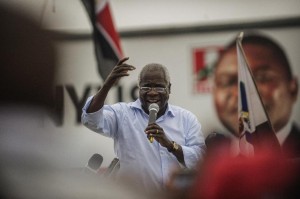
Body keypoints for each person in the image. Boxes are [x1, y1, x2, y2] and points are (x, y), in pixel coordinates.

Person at [81, 58, 206, 193]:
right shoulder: (123, 114)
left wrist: (171, 146)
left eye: (159, 86)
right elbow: (90, 119)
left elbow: (202, 160)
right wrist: (107, 85)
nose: (152, 92)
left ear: (169, 88)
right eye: (146, 87)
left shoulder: (186, 119)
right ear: (139, 88)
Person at [212, 32, 300, 158]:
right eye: (228, 81)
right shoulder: (210, 159)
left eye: (262, 78)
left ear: (293, 88)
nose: (242, 95)